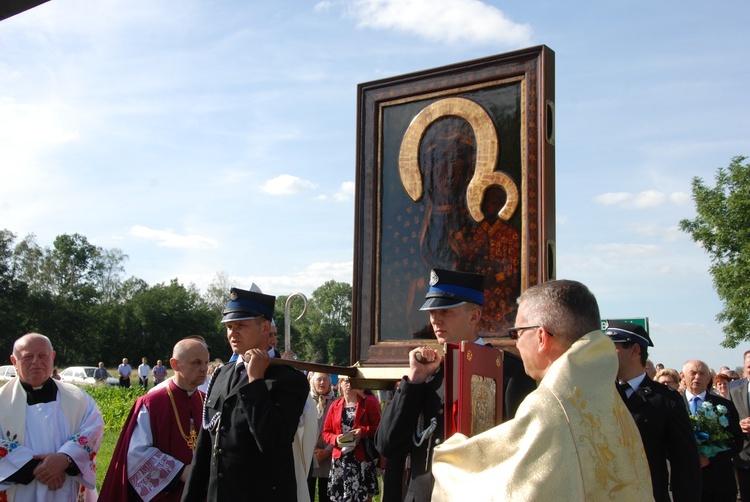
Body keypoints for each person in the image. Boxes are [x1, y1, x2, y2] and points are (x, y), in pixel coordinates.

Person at [431, 280, 653, 501]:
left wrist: (450, 459)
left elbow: (512, 493)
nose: (516, 344)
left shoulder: (549, 404)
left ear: (541, 337)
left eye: (516, 333)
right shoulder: (609, 400)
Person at [375, 268, 536, 501]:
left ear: (474, 316)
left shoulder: (509, 373)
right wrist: (415, 381)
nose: (435, 319)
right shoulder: (425, 374)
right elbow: (387, 445)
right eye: (432, 312)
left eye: (446, 311)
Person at [182, 287, 309, 501]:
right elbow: (205, 449)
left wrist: (255, 381)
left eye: (241, 325)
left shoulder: (289, 379)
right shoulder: (221, 374)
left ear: (265, 328)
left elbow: (273, 441)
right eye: (229, 326)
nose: (232, 333)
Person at [100, 338, 209, 501]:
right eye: (196, 362)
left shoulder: (208, 402)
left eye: (206, 362)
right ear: (175, 364)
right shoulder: (152, 403)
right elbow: (137, 453)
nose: (204, 369)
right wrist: (180, 472)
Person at [0, 333, 104, 501]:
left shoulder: (78, 398)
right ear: (14, 361)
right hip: (19, 490)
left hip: (67, 486)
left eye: (43, 355)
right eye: (28, 356)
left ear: (53, 357)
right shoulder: (1, 401)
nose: (36, 361)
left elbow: (93, 428)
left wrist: (66, 458)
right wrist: (39, 468)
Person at [605, 320, 701, 502]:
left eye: (612, 348)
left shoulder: (666, 399)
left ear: (635, 350)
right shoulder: (602, 394)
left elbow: (685, 463)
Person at [682, 359, 743, 502]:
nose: (697, 377)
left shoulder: (725, 406)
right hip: (685, 482)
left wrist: (710, 459)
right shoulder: (673, 405)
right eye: (693, 373)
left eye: (702, 373)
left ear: (709, 378)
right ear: (683, 377)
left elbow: (736, 441)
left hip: (719, 483)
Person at [322, 376, 381, 502]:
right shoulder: (335, 405)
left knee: (363, 497)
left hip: (361, 459)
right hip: (340, 459)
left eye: (350, 381)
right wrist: (336, 439)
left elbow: (379, 428)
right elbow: (326, 432)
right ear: (339, 384)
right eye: (344, 381)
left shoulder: (368, 403)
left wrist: (363, 431)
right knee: (341, 498)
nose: (347, 384)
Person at [308, 372, 336, 502]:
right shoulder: (305, 400)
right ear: (312, 382)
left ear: (330, 383)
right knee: (307, 493)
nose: (322, 382)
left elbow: (339, 428)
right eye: (319, 379)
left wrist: (327, 450)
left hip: (328, 454)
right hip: (308, 455)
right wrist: (310, 449)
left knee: (327, 495)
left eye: (325, 380)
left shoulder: (336, 402)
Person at [729, 350, 750, 502]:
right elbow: (727, 420)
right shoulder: (733, 389)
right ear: (744, 367)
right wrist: (738, 424)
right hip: (744, 457)